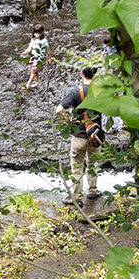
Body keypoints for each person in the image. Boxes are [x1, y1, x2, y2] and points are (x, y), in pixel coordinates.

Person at [55, 67, 104, 204]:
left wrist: (70, 121)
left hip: (79, 135)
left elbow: (59, 110)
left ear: (81, 74)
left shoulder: (76, 92)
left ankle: (76, 197)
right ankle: (92, 191)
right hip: (96, 135)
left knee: (77, 166)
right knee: (93, 163)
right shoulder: (102, 91)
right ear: (95, 74)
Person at [20, 23, 52, 89]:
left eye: (38, 33)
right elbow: (29, 48)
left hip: (39, 59)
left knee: (33, 71)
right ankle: (37, 82)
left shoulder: (44, 41)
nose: (36, 34)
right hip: (33, 58)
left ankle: (28, 85)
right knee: (34, 71)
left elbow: (48, 49)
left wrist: (49, 58)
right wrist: (25, 52)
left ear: (41, 33)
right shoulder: (33, 40)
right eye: (35, 33)